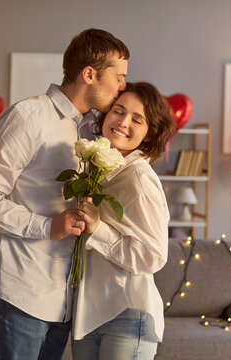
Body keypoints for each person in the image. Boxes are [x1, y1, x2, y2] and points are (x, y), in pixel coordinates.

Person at [0, 28, 130, 360]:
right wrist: (46, 226)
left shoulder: (89, 128)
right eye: (119, 77)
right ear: (89, 74)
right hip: (23, 293)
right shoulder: (27, 117)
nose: (122, 87)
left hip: (64, 301)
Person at [71, 82, 174, 360]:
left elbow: (154, 256)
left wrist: (97, 230)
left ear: (149, 132)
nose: (123, 122)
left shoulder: (139, 179)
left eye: (137, 119)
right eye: (118, 111)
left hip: (127, 315)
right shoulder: (100, 170)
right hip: (89, 315)